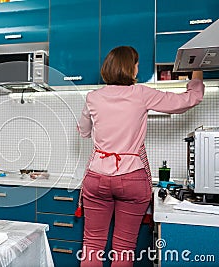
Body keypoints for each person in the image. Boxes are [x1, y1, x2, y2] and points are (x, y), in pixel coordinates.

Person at [77, 46, 204, 266]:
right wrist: (197, 74)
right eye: (136, 64)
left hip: (96, 177)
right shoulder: (142, 94)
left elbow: (83, 131)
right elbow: (185, 101)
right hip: (131, 177)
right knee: (124, 248)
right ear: (129, 67)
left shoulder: (93, 97)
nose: (137, 69)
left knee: (92, 245)